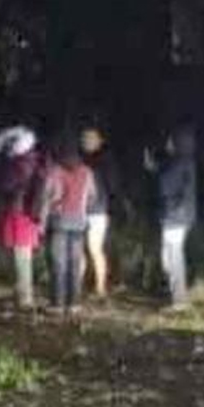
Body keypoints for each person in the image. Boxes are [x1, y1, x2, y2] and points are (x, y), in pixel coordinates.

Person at [40, 140, 100, 315]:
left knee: (58, 263)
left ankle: (57, 304)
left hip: (58, 221)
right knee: (74, 263)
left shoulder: (55, 171)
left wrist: (42, 224)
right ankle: (74, 304)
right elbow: (92, 197)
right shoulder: (87, 172)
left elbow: (45, 198)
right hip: (79, 222)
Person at [0, 126, 43, 309]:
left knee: (21, 257)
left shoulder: (22, 164)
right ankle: (20, 294)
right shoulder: (31, 160)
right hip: (25, 214)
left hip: (20, 214)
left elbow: (7, 185)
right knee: (19, 256)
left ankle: (25, 298)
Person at [151, 125, 198, 311]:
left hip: (175, 217)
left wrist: (156, 171)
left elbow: (166, 187)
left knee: (172, 257)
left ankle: (179, 300)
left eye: (171, 141)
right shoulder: (184, 162)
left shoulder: (178, 163)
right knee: (170, 256)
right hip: (180, 217)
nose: (168, 144)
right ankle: (177, 296)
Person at [79, 126, 120, 298]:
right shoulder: (78, 158)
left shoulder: (106, 159)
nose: (87, 141)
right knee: (78, 249)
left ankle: (100, 287)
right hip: (79, 210)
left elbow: (113, 186)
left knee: (95, 248)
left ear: (100, 141)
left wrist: (111, 204)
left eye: (91, 138)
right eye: (84, 138)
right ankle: (76, 285)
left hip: (98, 211)